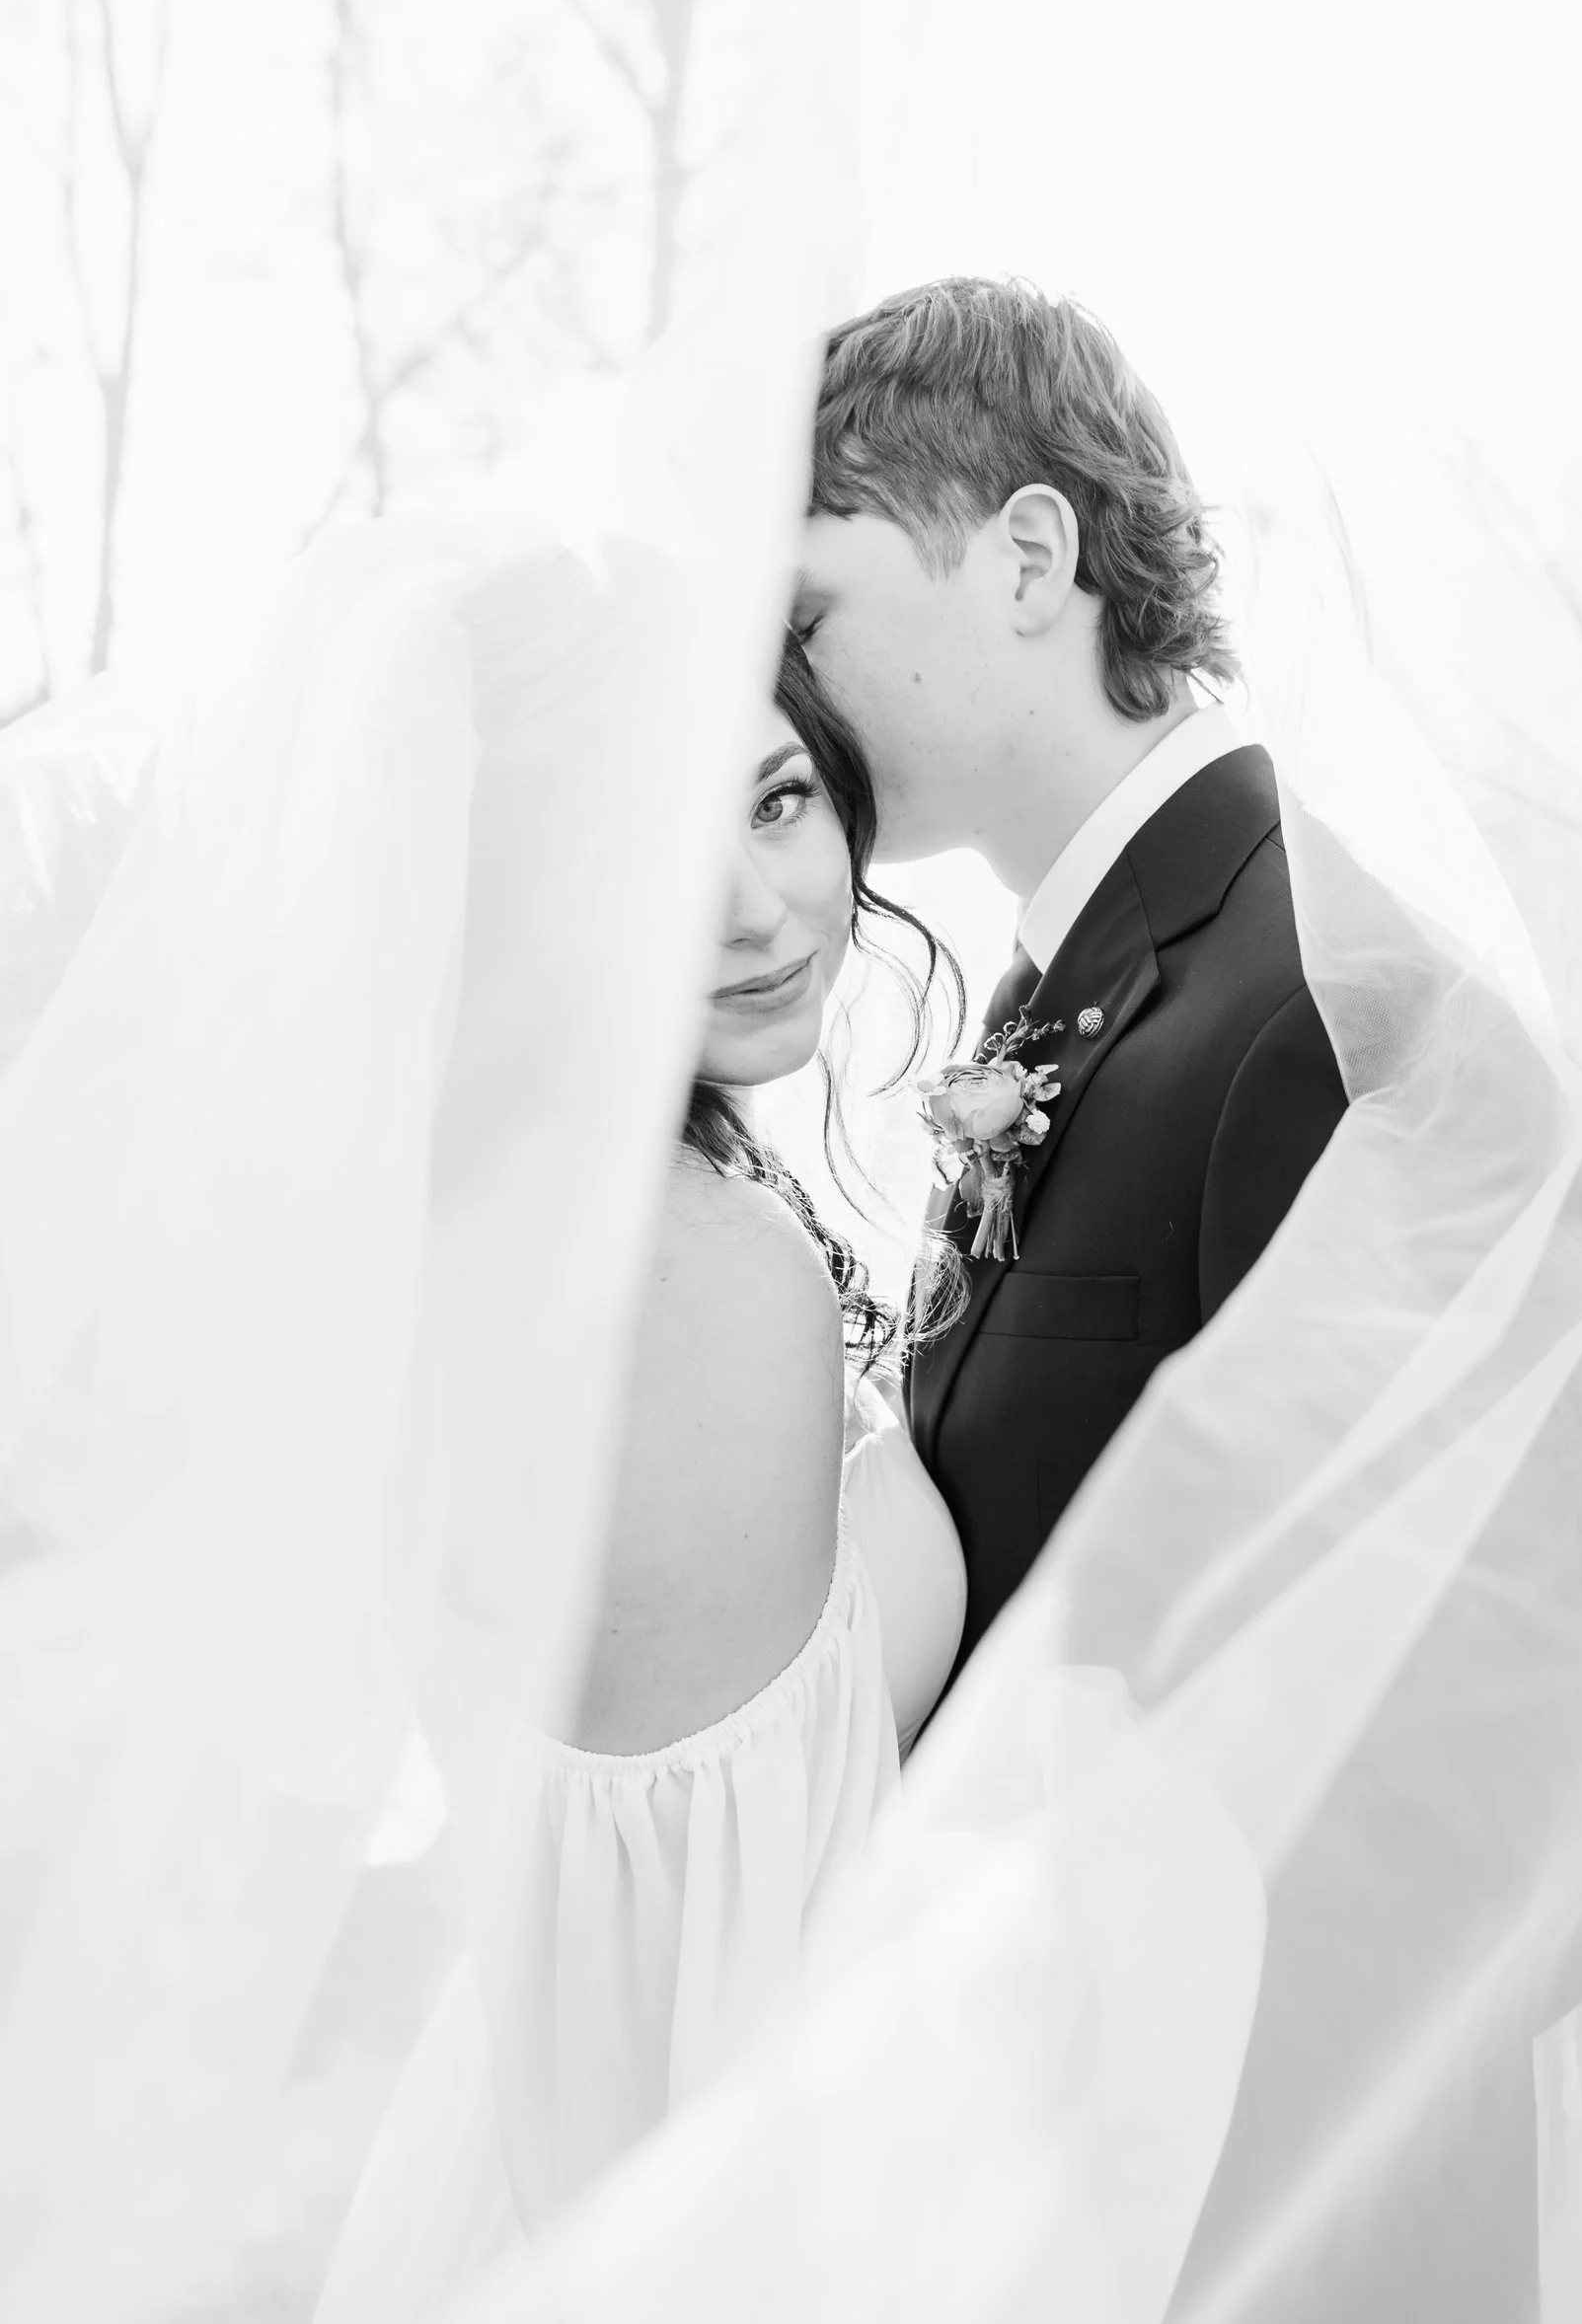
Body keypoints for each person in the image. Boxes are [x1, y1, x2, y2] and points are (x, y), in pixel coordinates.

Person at [313, 618, 968, 2316]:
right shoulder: (683, 1274)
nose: (756, 909)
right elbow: (707, 1954)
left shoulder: (518, 1216)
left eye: (773, 802)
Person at [794, 275, 1350, 1681]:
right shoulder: (1063, 973)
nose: (785, 705)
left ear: (1029, 560)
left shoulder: (1304, 1000)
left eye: (806, 627)